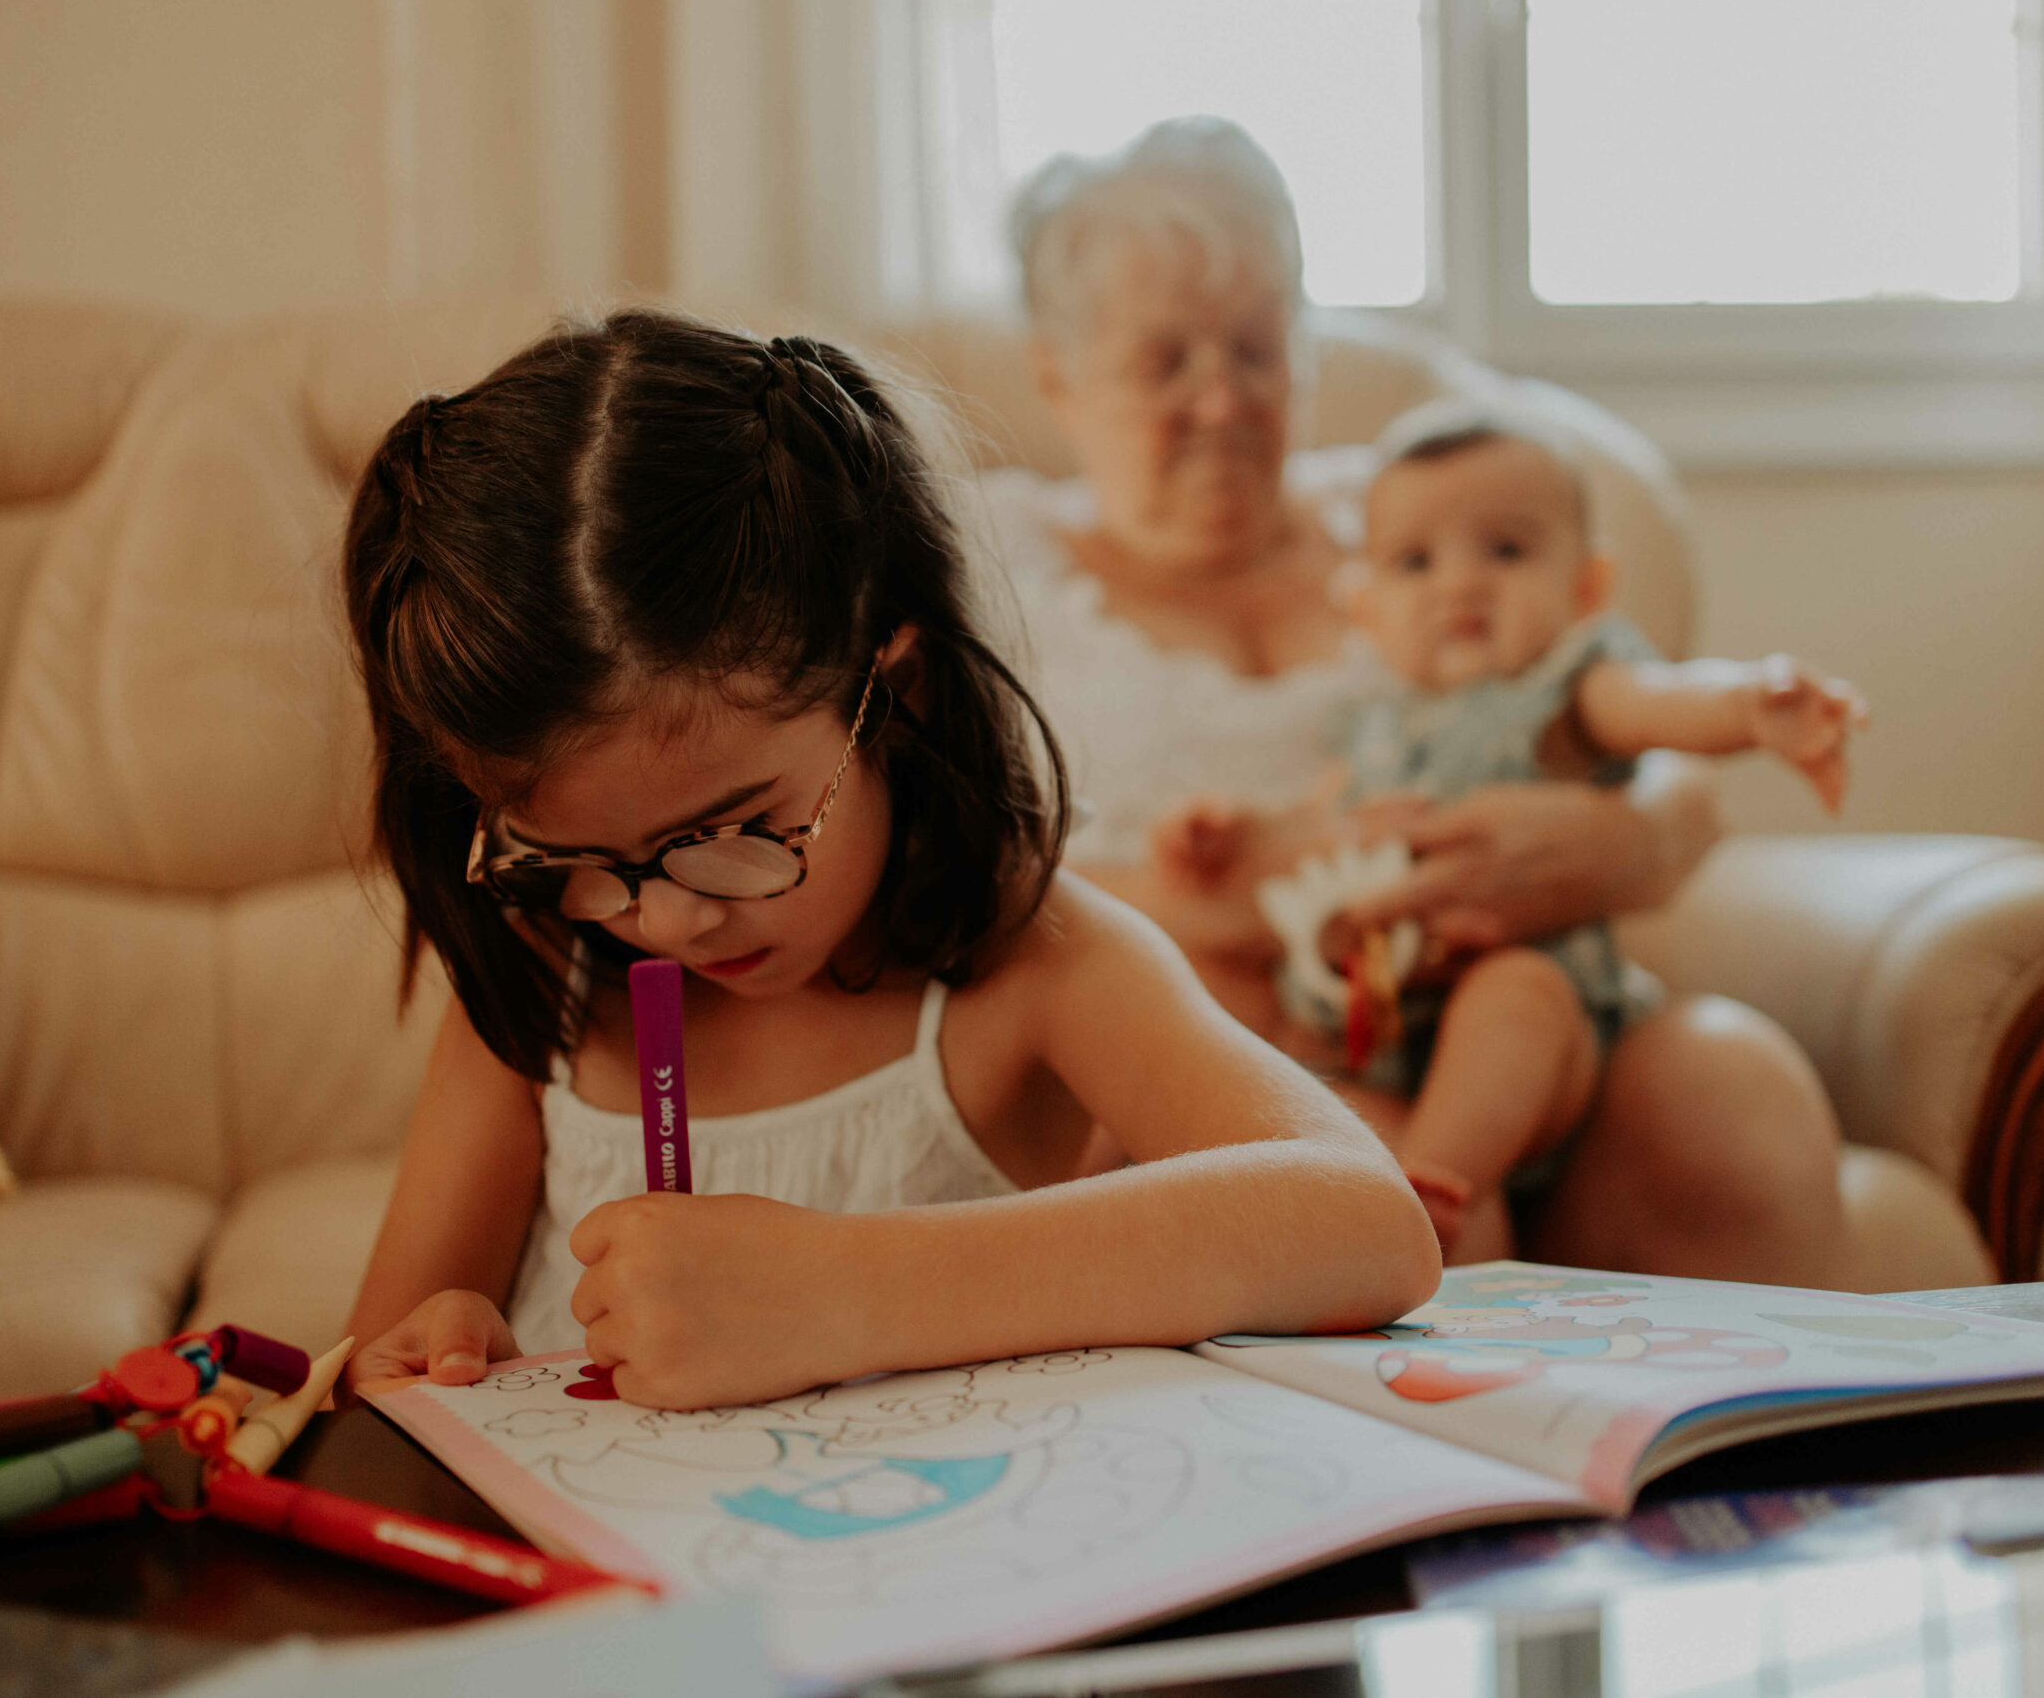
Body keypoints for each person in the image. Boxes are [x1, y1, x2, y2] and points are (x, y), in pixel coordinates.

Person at [335, 311, 1440, 1411]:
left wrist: (843, 1290)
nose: (666, 923)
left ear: (891, 694)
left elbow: (1366, 1225)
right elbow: (375, 1370)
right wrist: (436, 1350)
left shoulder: (1037, 966)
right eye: (575, 856)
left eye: (730, 834)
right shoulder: (544, 972)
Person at [987, 116, 1876, 1288]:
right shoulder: (989, 557)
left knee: (1733, 1088)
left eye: (1256, 350)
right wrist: (1244, 891)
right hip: (1207, 1026)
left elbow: (1622, 711)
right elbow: (924, 870)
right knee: (1387, 1183)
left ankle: (1765, 1469)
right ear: (1058, 372)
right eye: (1166, 364)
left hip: (1501, 997)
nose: (1222, 403)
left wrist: (1624, 840)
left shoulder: (1422, 517)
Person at [1150, 407, 1868, 1263]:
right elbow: (1325, 823)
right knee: (1281, 1040)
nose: (1460, 585)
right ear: (1368, 609)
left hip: (1543, 1044)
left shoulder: (1565, 692)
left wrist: (1750, 703)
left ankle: (1433, 1183)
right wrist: (1233, 828)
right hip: (1388, 1028)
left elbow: (1661, 701)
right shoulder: (1370, 724)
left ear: (1586, 588)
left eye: (1506, 550)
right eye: (1417, 562)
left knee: (1516, 988)